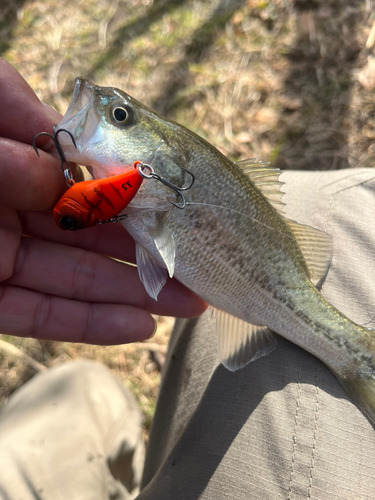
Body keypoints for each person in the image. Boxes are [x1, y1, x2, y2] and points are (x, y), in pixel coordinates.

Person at [0, 58, 374, 499]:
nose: (95, 100)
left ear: (168, 170)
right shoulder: (150, 196)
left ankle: (356, 357)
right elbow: (157, 260)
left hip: (262, 286)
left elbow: (159, 261)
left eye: (120, 116)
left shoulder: (153, 197)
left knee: (86, 388)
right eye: (120, 115)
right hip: (252, 292)